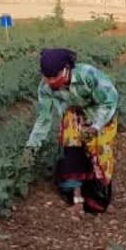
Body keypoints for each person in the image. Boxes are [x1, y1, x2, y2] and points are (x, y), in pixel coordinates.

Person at [23, 48, 118, 213]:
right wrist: (32, 145)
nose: (51, 81)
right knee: (72, 151)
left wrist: (95, 126)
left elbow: (109, 100)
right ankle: (77, 199)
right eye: (47, 77)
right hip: (72, 115)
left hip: (100, 114)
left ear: (67, 68)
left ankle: (99, 198)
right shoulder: (45, 88)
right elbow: (44, 117)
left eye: (55, 76)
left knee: (99, 153)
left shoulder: (87, 75)